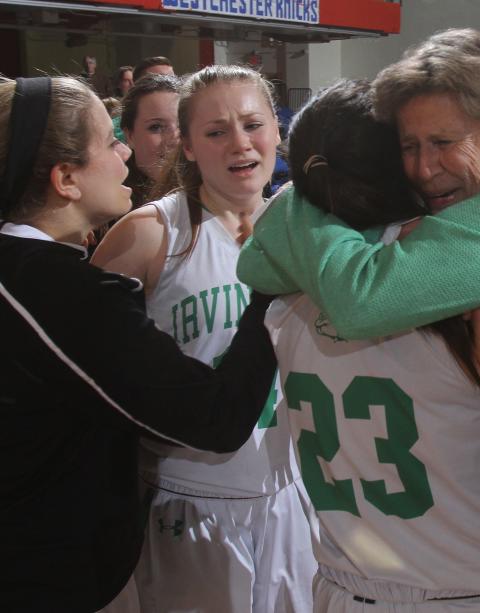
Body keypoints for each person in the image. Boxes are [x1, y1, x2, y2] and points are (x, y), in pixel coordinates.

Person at [237, 28, 480, 609]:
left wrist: (301, 194)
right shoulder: (442, 236)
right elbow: (264, 266)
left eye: (444, 141)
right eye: (408, 146)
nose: (422, 169)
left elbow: (330, 287)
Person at [0, 76, 277, 612]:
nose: (125, 150)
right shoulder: (68, 292)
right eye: (109, 141)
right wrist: (269, 287)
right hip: (52, 573)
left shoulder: (34, 276)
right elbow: (216, 418)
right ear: (65, 178)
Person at [93, 66, 314, 613]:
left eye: (252, 124)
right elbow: (90, 377)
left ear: (276, 132)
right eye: (216, 132)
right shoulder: (151, 234)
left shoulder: (307, 229)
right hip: (186, 502)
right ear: (187, 146)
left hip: (293, 494)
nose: (239, 142)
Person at [118, 73, 180, 208]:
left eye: (183, 125)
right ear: (130, 136)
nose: (175, 139)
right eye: (156, 127)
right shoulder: (109, 211)